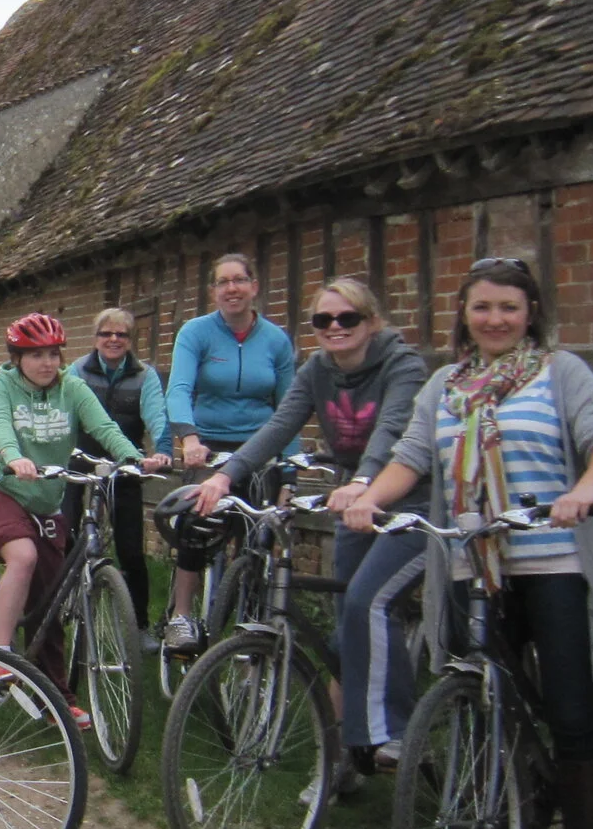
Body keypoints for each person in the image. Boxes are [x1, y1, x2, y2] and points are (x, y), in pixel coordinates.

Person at [346, 258, 593, 829]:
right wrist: (370, 496)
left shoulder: (561, 372)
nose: (495, 319)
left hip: (551, 561)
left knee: (569, 710)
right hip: (474, 566)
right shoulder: (447, 385)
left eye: (508, 306)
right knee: (479, 712)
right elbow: (413, 456)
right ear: (463, 314)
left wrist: (584, 488)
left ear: (531, 310)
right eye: (482, 308)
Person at [189, 278, 428, 773]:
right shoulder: (317, 369)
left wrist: (364, 480)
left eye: (347, 319)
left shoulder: (403, 366)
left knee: (369, 603)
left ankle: (396, 733)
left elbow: (393, 429)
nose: (335, 328)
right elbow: (280, 426)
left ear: (372, 323)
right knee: (348, 628)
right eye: (323, 321)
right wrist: (225, 476)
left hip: (411, 502)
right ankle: (343, 759)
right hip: (352, 502)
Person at [0, 313, 165, 694]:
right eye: (36, 355)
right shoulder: (2, 384)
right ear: (17, 357)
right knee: (23, 557)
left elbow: (105, 427)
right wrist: (12, 456)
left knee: (51, 601)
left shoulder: (72, 388)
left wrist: (133, 459)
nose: (47, 363)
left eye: (54, 354)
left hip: (46, 501)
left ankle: (54, 696)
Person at [161, 253, 297, 651]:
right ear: (214, 291)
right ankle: (182, 616)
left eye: (239, 280)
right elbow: (180, 388)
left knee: (260, 535)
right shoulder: (196, 332)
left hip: (260, 447)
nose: (232, 289)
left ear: (255, 286)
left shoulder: (275, 340)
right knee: (196, 525)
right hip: (209, 446)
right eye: (223, 282)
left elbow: (289, 407)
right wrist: (188, 438)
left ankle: (251, 617)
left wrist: (289, 472)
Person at [70, 308, 169, 631]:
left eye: (121, 334)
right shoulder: (78, 371)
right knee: (65, 529)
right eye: (105, 334)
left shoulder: (144, 375)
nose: (113, 340)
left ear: (130, 340)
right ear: (95, 338)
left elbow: (156, 415)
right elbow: (65, 409)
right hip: (80, 457)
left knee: (130, 547)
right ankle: (62, 606)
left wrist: (162, 451)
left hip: (126, 462)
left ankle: (139, 625)